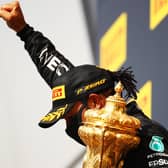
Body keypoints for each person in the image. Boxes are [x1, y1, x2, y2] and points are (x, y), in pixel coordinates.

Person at [0, 1, 168, 167]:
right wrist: (23, 30)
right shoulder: (103, 131)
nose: (69, 128)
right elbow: (59, 73)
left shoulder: (147, 138)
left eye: (70, 118)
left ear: (95, 102)